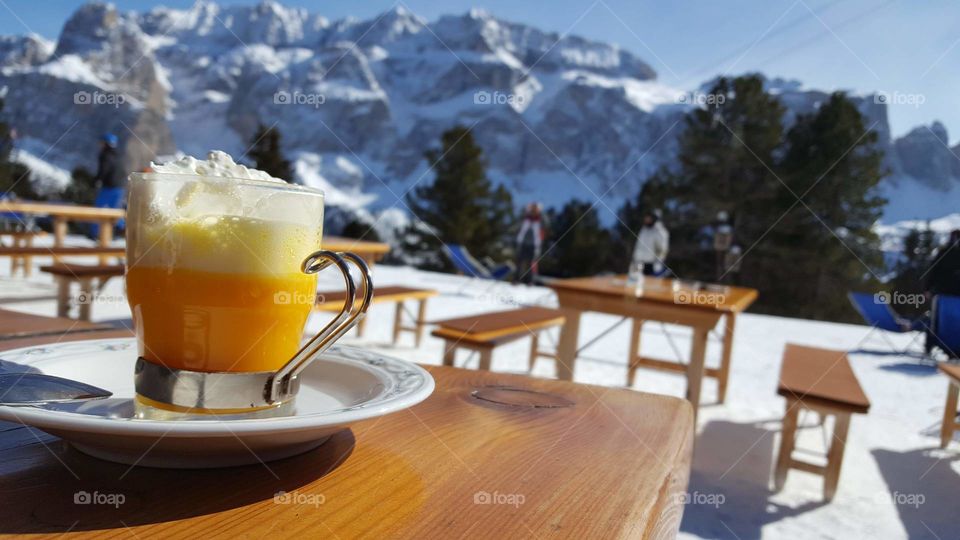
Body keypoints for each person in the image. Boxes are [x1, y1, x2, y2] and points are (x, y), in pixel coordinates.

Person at [89, 133, 125, 238]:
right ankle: (121, 231)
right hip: (119, 187)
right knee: (116, 211)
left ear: (106, 143)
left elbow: (104, 169)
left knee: (99, 209)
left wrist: (97, 180)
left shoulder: (105, 155)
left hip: (108, 187)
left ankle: (95, 234)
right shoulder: (118, 155)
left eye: (102, 142)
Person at [514, 202, 546, 285]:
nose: (533, 211)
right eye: (532, 209)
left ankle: (530, 281)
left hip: (534, 245)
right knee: (520, 262)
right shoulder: (525, 219)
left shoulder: (540, 220)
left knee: (531, 263)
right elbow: (519, 227)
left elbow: (545, 225)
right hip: (523, 244)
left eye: (535, 209)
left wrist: (538, 247)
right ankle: (517, 279)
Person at [631, 209, 669, 276]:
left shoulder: (660, 232)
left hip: (651, 264)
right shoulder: (644, 230)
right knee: (635, 282)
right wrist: (635, 259)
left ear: (654, 218)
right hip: (639, 262)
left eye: (649, 218)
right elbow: (638, 246)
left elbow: (662, 249)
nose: (646, 220)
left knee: (650, 284)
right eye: (646, 218)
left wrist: (658, 263)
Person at [925, 230, 960, 297]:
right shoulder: (943, 252)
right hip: (943, 292)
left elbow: (933, 270)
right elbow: (934, 270)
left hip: (944, 291)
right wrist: (928, 288)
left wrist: (928, 288)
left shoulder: (943, 252)